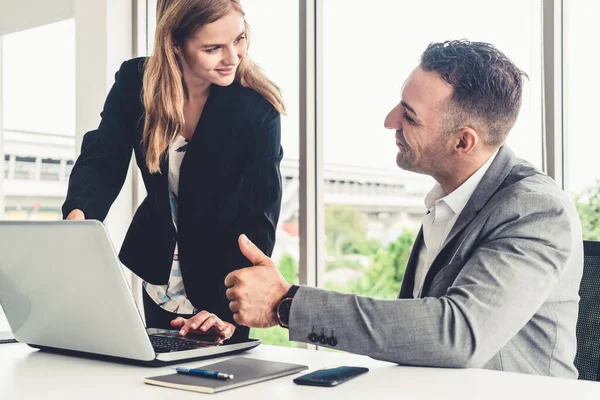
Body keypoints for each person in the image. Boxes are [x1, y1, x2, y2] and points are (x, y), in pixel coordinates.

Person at [224, 40, 584, 378]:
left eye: (409, 117)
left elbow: (455, 335)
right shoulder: (448, 200)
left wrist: (287, 304)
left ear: (463, 141)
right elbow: (417, 334)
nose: (389, 121)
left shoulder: (536, 211)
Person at [62, 0, 284, 342]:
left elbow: (259, 215)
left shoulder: (256, 109)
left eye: (239, 39)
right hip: (159, 272)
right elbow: (102, 158)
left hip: (224, 282)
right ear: (174, 44)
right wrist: (79, 216)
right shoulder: (135, 83)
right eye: (213, 48)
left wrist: (228, 312)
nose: (233, 57)